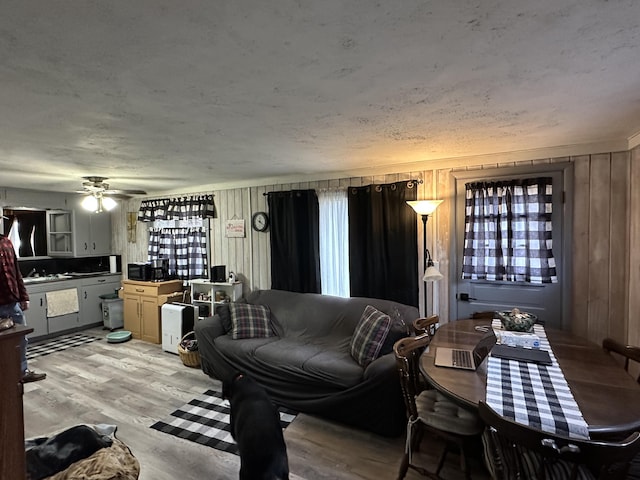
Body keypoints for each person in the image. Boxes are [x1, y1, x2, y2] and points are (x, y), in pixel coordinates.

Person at [0, 233, 46, 382]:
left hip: (13, 304)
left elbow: (16, 272)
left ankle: (22, 372)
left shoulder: (6, 242)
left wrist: (23, 296)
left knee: (21, 340)